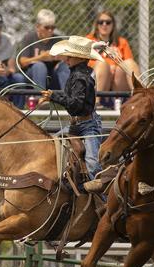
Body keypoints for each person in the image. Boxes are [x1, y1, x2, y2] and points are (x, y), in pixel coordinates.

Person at [38, 35, 104, 180]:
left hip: (88, 126)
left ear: (80, 58)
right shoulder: (77, 74)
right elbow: (74, 99)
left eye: (70, 55)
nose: (66, 58)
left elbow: (75, 105)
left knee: (93, 164)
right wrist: (53, 96)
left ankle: (101, 201)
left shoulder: (81, 77)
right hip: (76, 124)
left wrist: (53, 97)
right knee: (52, 145)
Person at [85, 10, 140, 104]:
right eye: (101, 22)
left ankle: (141, 96)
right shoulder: (89, 40)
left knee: (129, 62)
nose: (104, 25)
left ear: (113, 25)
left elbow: (129, 66)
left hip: (118, 82)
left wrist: (117, 66)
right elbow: (84, 62)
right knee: (102, 64)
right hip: (98, 81)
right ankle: (95, 104)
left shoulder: (122, 42)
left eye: (108, 22)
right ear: (96, 25)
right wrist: (108, 67)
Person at [11, 9, 70, 94]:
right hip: (32, 77)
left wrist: (58, 57)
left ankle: (68, 99)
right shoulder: (29, 38)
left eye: (52, 27)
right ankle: (40, 98)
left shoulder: (57, 40)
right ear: (38, 27)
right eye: (46, 27)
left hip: (51, 77)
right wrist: (41, 58)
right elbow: (22, 62)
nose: (50, 30)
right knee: (39, 66)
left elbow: (68, 61)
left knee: (65, 66)